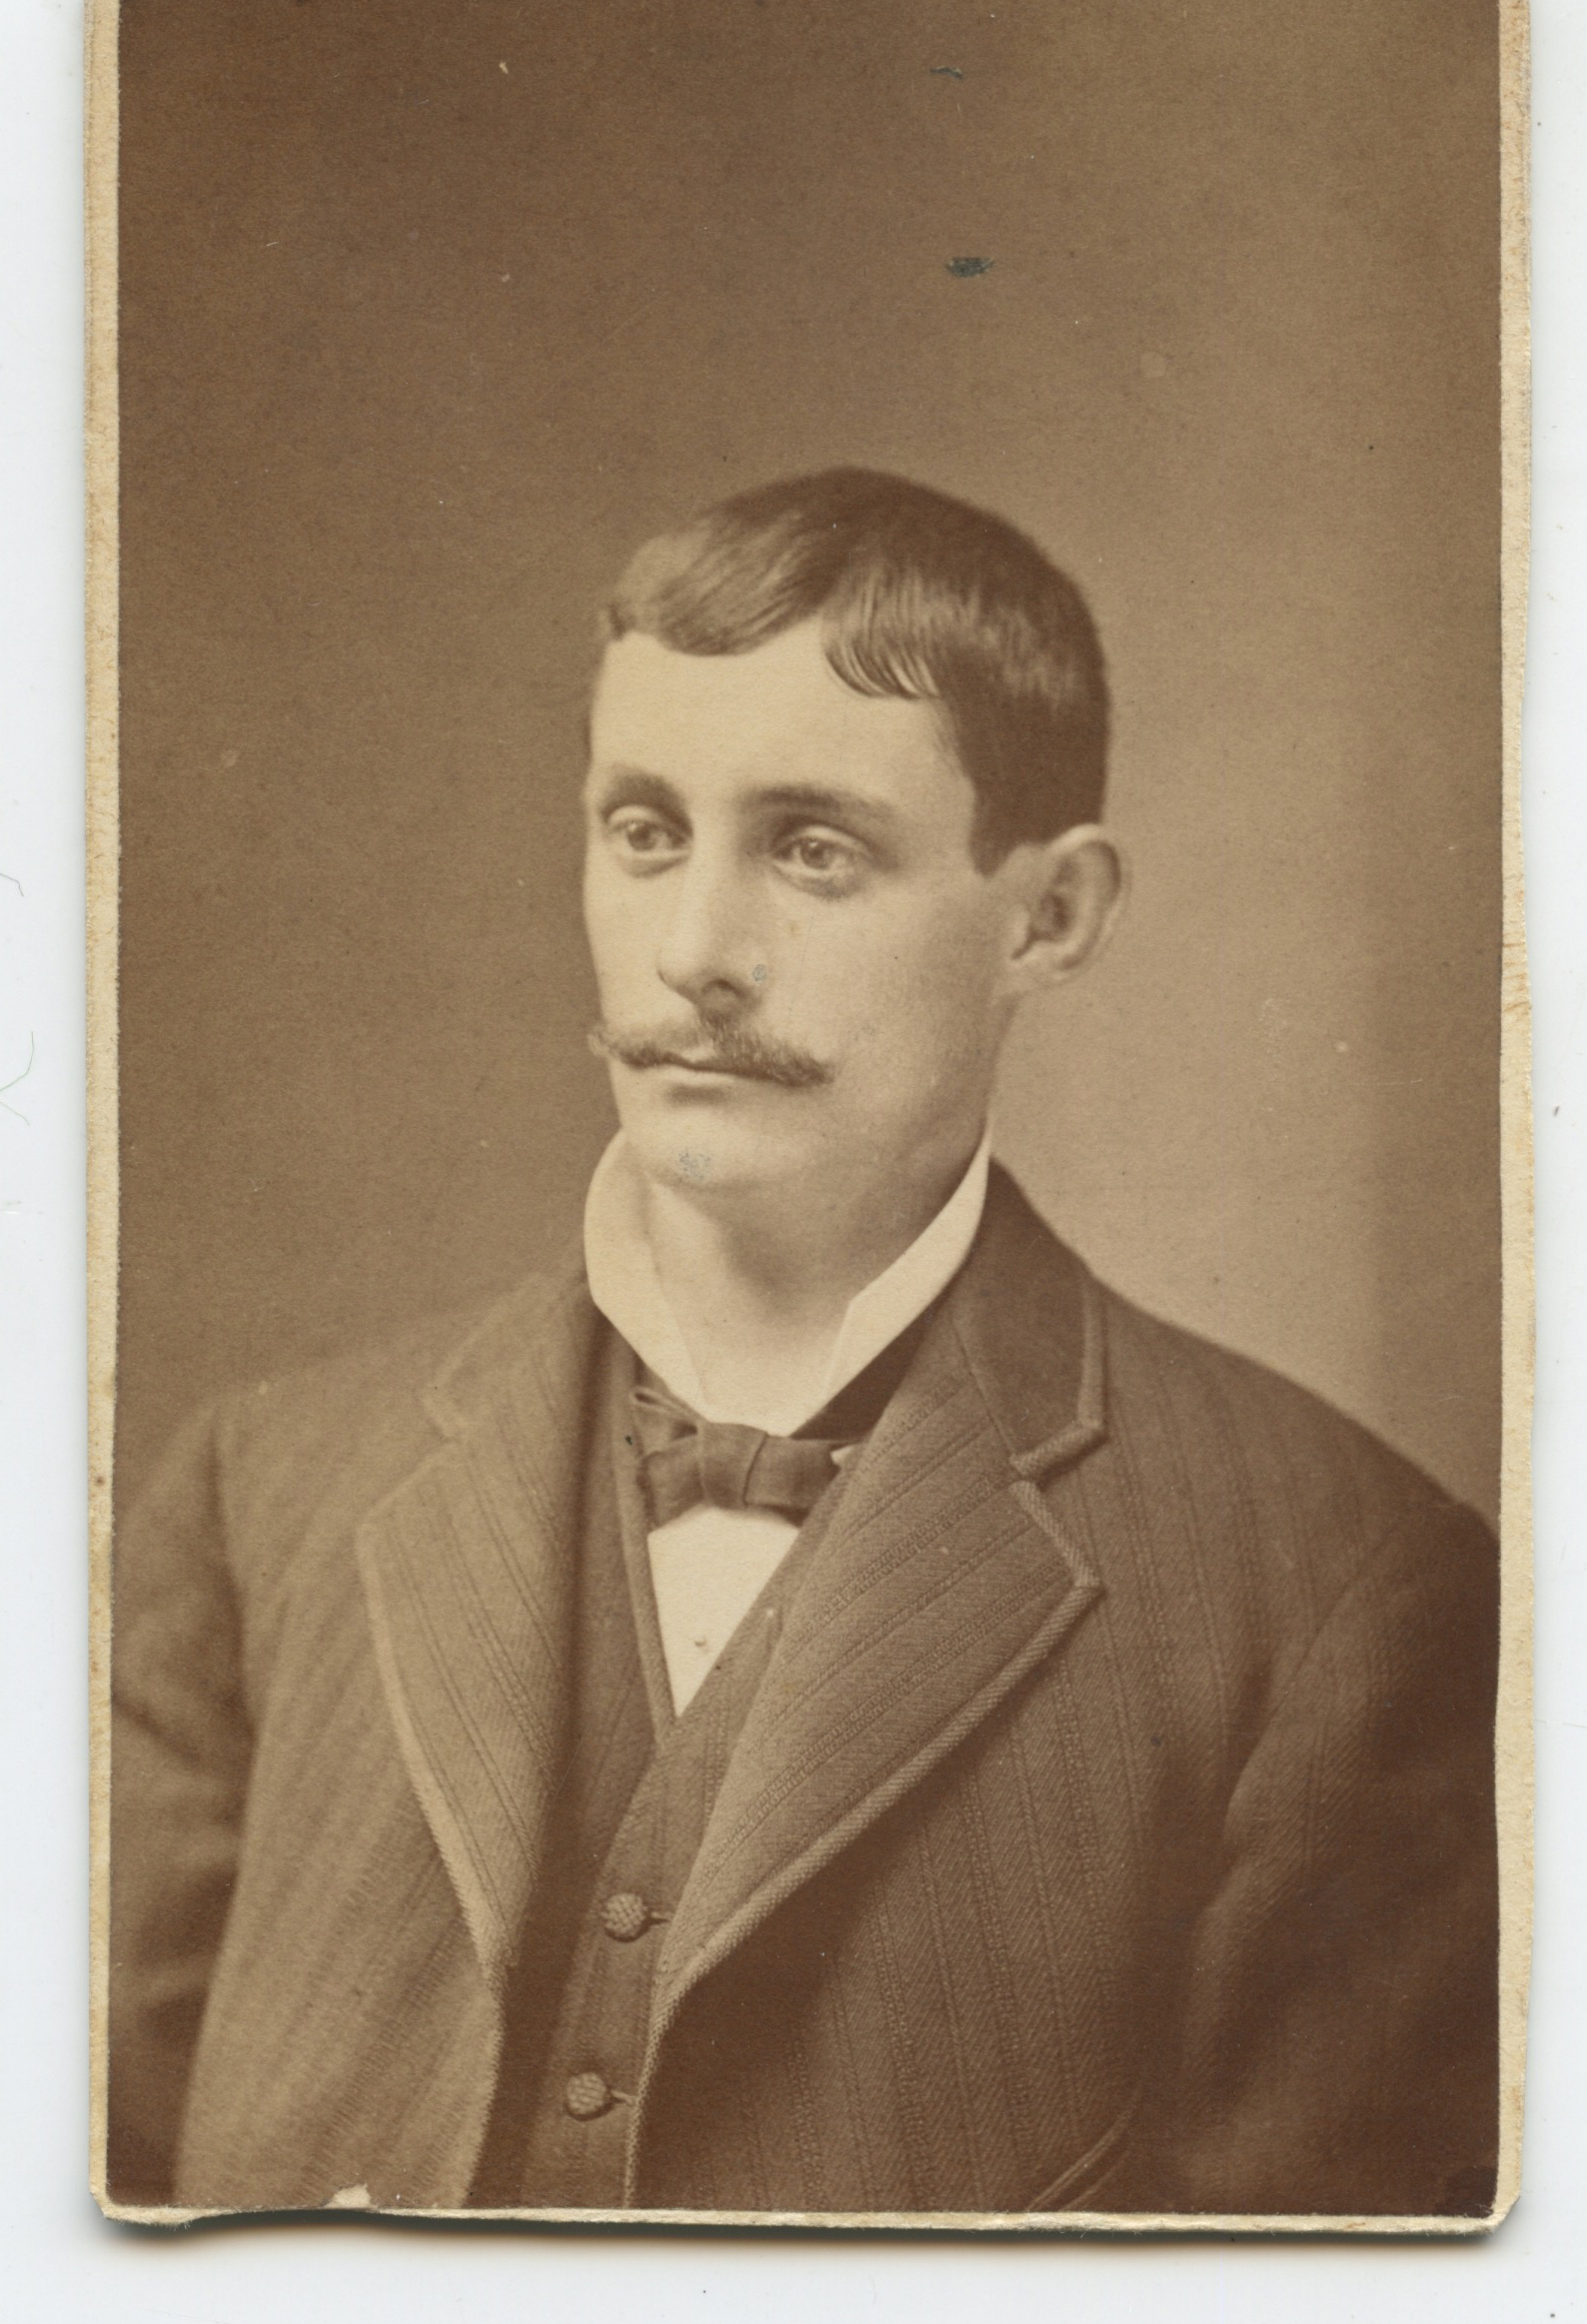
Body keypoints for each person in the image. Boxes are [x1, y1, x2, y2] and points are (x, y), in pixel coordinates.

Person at [107, 468, 1500, 2221]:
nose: (696, 953)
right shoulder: (260, 1496)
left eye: (813, 849)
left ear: (1051, 916)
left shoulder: (1339, 1594)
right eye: (644, 832)